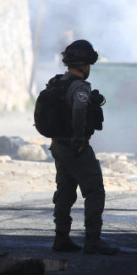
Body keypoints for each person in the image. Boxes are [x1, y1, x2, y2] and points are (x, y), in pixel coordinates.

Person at [47, 40, 118, 254]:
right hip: (74, 146)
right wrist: (79, 140)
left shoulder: (56, 83)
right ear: (85, 65)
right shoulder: (80, 87)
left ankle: (61, 238)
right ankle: (93, 240)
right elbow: (78, 111)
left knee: (65, 191)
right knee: (95, 190)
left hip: (58, 144)